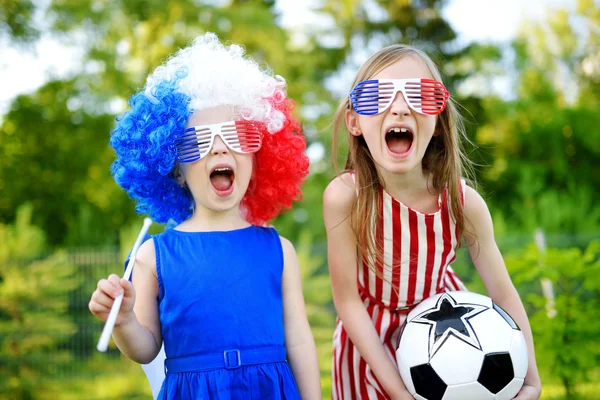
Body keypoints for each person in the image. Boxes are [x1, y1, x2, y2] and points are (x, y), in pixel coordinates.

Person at [88, 33, 321, 400]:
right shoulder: (153, 255)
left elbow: (299, 339)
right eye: (196, 142)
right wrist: (123, 321)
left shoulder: (280, 250)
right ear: (175, 169)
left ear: (258, 154)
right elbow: (145, 349)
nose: (218, 147)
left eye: (236, 134)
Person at [323, 44, 542, 400]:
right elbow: (347, 301)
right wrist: (399, 391)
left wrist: (530, 378)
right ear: (354, 121)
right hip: (367, 350)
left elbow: (503, 293)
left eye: (419, 95)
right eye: (376, 96)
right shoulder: (346, 197)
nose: (398, 107)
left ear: (438, 122)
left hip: (451, 343)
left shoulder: (463, 202)